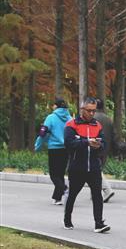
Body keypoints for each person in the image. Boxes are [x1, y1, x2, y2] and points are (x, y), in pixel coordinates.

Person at [63, 98, 110, 233]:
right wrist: (86, 142)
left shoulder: (97, 125)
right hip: (77, 167)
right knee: (72, 194)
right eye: (89, 110)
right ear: (82, 109)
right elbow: (69, 144)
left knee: (97, 195)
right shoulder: (71, 125)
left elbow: (104, 144)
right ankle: (67, 219)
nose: (91, 113)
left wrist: (99, 145)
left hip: (94, 167)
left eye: (94, 111)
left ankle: (99, 223)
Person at [34, 98, 70, 205]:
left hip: (54, 149)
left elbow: (43, 133)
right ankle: (58, 198)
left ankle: (64, 188)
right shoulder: (69, 119)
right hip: (66, 149)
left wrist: (37, 146)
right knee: (60, 174)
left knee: (53, 175)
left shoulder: (51, 118)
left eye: (53, 105)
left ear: (56, 106)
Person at [93, 101, 118, 203]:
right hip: (105, 148)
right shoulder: (108, 119)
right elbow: (114, 135)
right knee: (98, 169)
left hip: (94, 147)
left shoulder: (92, 118)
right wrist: (114, 150)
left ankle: (107, 190)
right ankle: (96, 192)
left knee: (95, 170)